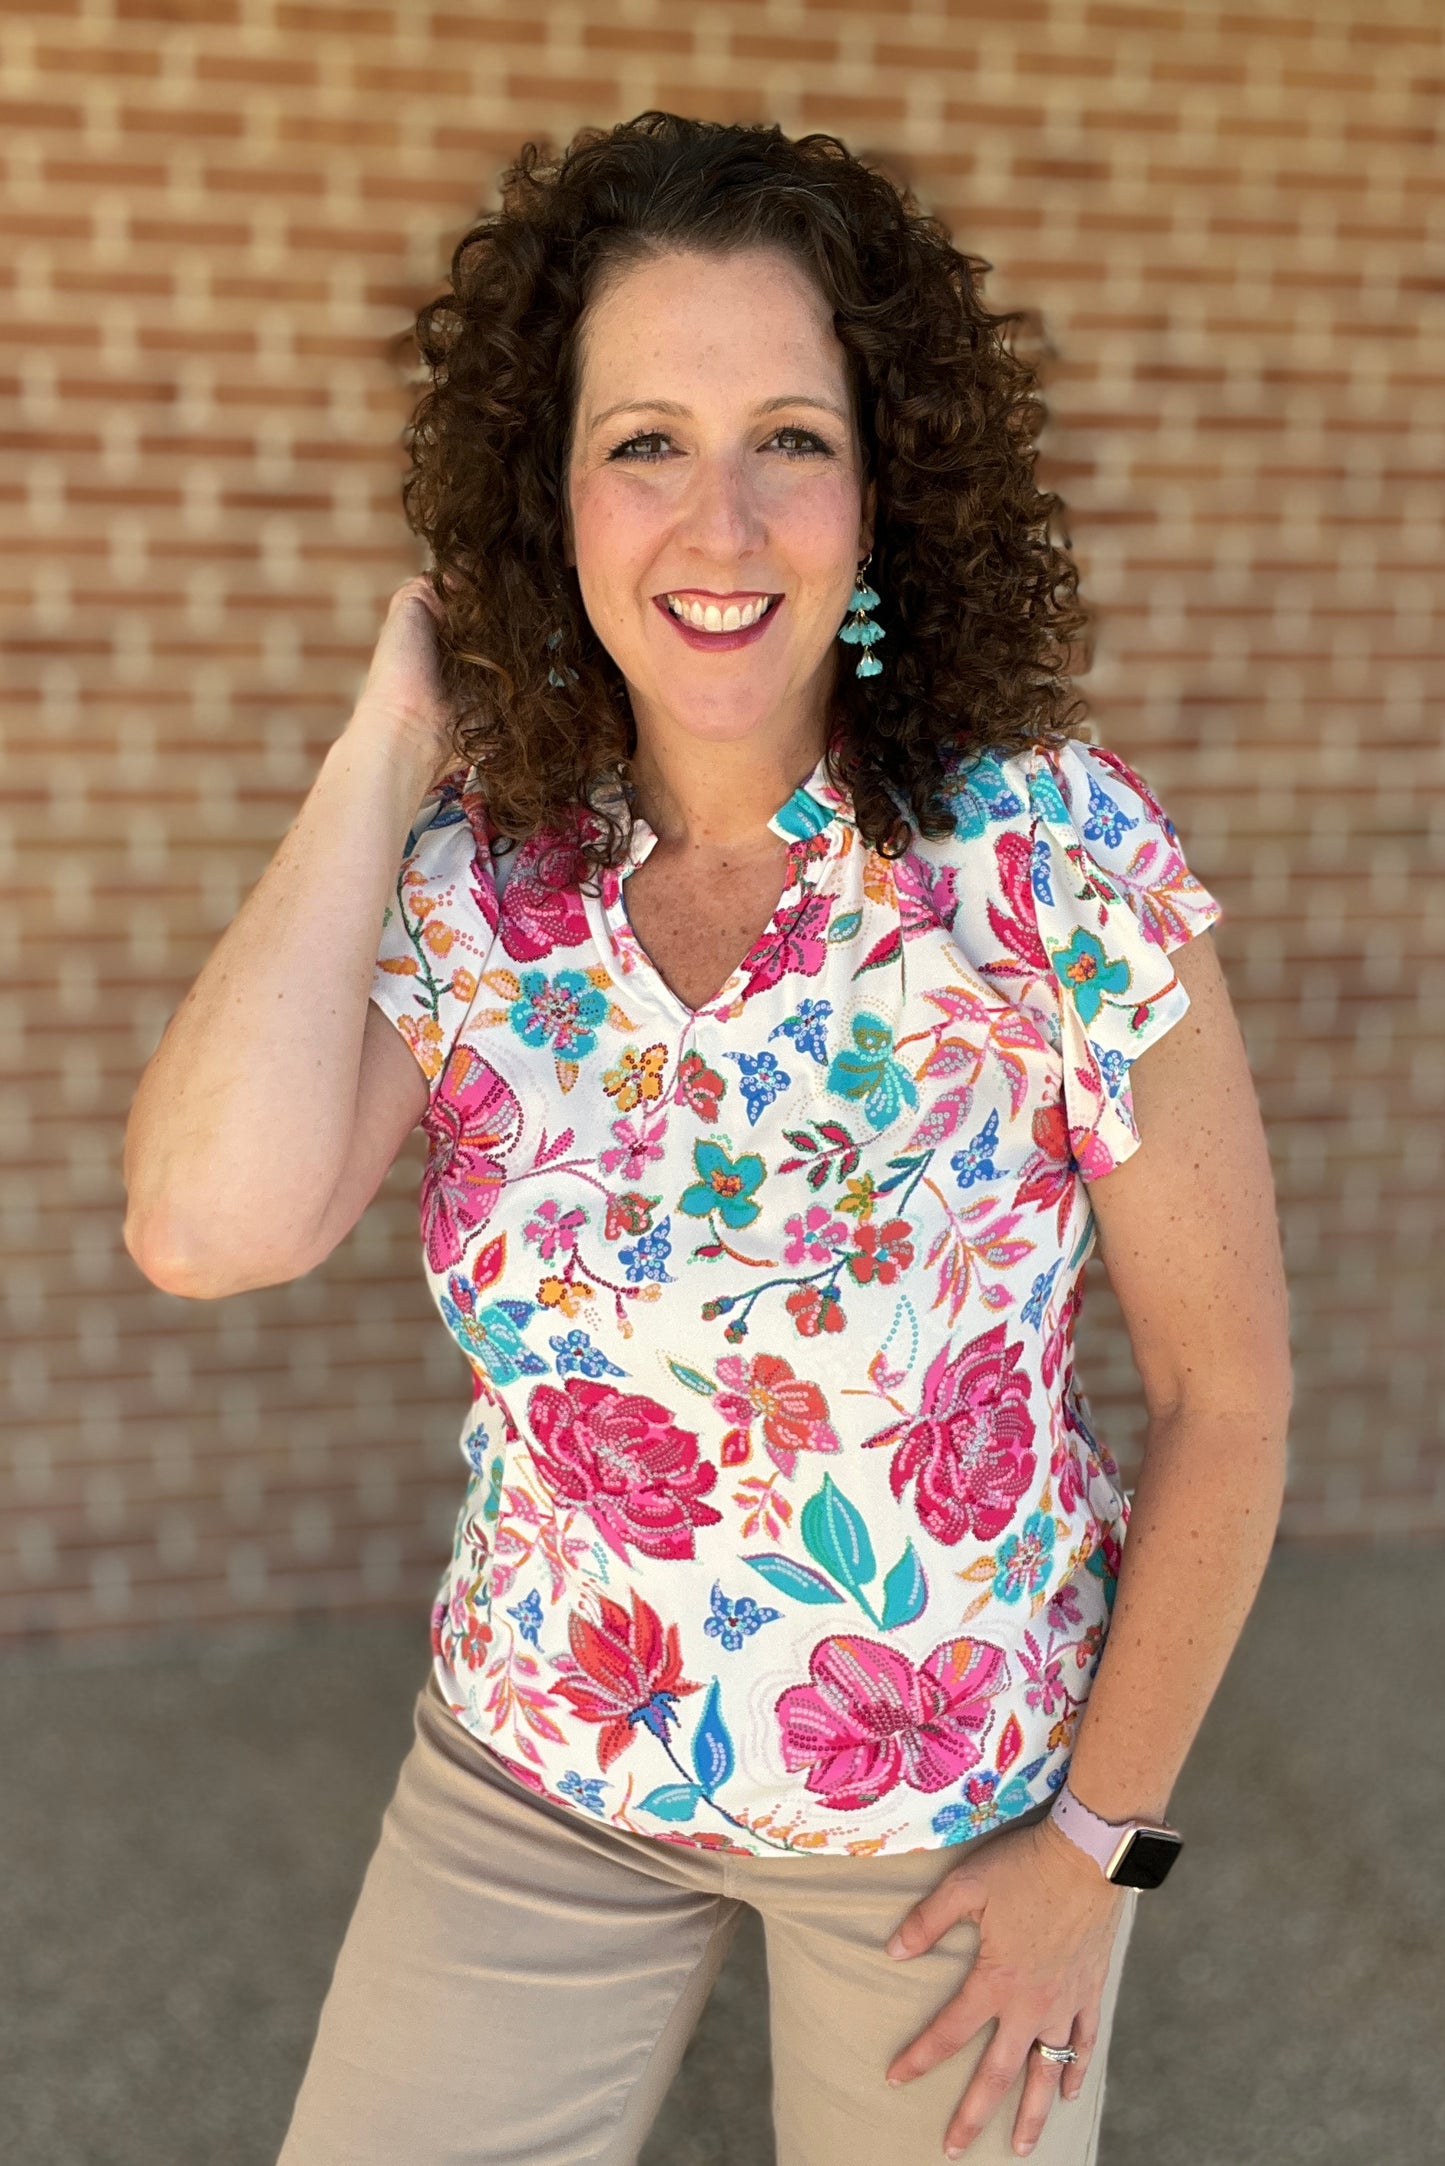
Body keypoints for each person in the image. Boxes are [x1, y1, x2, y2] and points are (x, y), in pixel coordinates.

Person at [122, 114, 1291, 2166]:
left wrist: (1106, 1862)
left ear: (886, 488)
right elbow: (209, 1229)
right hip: (534, 1774)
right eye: (645, 440)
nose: (722, 522)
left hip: (956, 1821)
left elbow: (1232, 1393)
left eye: (794, 439)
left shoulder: (1044, 856)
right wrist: (393, 737)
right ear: (548, 498)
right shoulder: (486, 884)